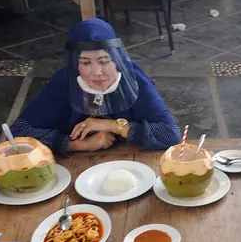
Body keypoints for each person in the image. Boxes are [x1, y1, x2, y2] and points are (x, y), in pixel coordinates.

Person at [11, 18, 181, 156]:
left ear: (116, 59)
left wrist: (113, 126)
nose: (97, 72)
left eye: (104, 61)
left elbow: (170, 135)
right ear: (75, 66)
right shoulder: (63, 82)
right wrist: (78, 145)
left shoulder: (135, 80)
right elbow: (18, 132)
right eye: (85, 63)